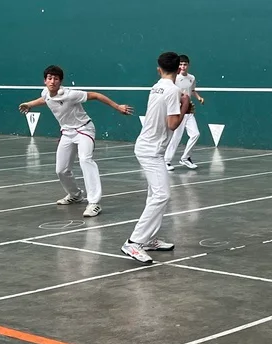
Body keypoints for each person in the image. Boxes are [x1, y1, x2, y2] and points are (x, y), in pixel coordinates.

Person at [19, 65, 134, 217]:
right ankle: (75, 195)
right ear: (45, 81)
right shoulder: (45, 92)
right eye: (50, 78)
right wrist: (30, 104)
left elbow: (96, 95)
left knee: (85, 160)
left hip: (84, 130)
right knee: (61, 170)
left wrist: (117, 106)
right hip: (67, 133)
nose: (52, 81)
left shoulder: (70, 94)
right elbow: (45, 99)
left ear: (60, 81)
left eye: (56, 79)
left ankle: (94, 203)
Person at [121, 51, 192, 263]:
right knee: (162, 195)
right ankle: (133, 242)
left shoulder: (157, 86)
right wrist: (185, 105)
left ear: (158, 69)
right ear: (178, 69)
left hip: (151, 148)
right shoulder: (173, 91)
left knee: (155, 195)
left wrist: (182, 105)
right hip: (150, 151)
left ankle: (149, 239)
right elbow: (172, 124)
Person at [165, 54, 206, 170]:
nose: (183, 67)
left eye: (185, 64)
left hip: (189, 111)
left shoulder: (191, 78)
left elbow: (192, 90)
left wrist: (199, 98)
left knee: (195, 134)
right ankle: (166, 161)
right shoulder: (174, 78)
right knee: (176, 137)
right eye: (181, 64)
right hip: (178, 111)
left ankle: (185, 158)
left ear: (188, 65)